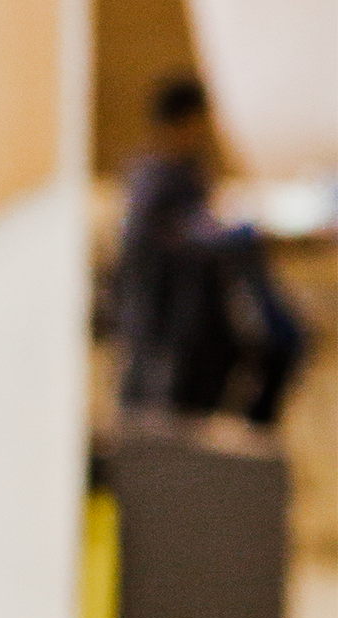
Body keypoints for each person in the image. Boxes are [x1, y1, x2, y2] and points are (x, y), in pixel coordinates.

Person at [116, 73, 305, 427]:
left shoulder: (184, 173)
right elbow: (161, 253)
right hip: (172, 324)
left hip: (194, 319)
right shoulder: (155, 181)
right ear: (184, 121)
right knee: (172, 414)